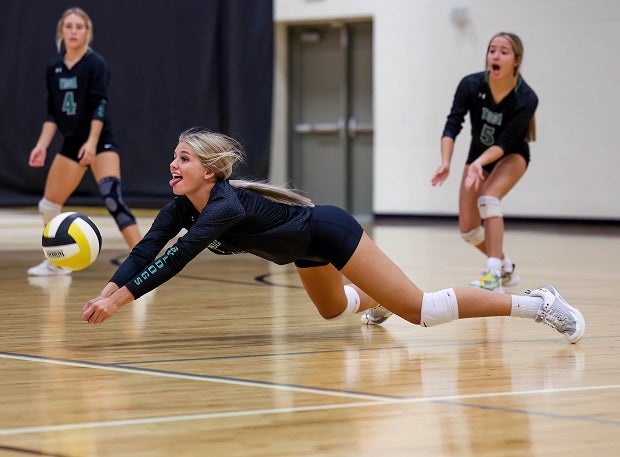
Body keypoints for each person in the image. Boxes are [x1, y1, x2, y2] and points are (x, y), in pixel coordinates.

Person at [82, 128, 585, 345]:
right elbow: (149, 249)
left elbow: (177, 259)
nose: (173, 164)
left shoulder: (223, 205)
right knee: (330, 310)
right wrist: (106, 292)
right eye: (174, 156)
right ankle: (377, 297)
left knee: (424, 310)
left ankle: (538, 303)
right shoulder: (179, 207)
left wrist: (121, 301)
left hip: (329, 231)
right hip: (305, 251)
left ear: (211, 171)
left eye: (184, 158)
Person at [28, 7, 141, 276]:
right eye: (69, 26)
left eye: (80, 26)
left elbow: (99, 105)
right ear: (61, 31)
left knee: (113, 199)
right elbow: (51, 114)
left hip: (100, 140)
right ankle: (58, 261)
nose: (74, 31)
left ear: (87, 32)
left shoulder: (95, 64)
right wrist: (42, 145)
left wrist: (91, 143)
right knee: (48, 205)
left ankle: (144, 264)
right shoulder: (53, 67)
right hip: (70, 142)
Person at [430, 32, 538, 292]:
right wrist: (446, 162)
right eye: (492, 50)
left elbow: (504, 143)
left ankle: (492, 275)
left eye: (503, 51)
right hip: (478, 155)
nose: (495, 56)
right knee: (468, 230)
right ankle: (506, 267)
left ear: (516, 60)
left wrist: (480, 162)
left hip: (511, 155)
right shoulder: (471, 85)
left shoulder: (526, 98)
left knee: (489, 199)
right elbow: (452, 124)